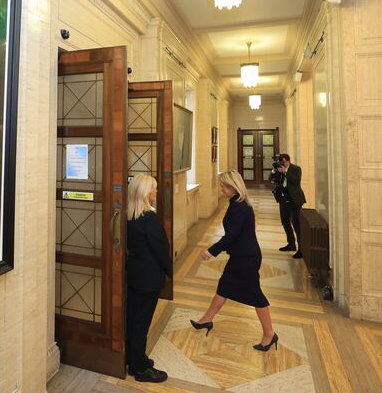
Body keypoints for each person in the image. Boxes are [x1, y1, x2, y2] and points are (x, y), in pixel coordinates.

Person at [190, 170, 278, 352]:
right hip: (242, 256)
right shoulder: (237, 202)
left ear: (232, 186)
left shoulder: (239, 206)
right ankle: (206, 319)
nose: (221, 189)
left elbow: (232, 235)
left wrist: (211, 251)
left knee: (255, 294)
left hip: (246, 258)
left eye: (223, 186)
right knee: (224, 287)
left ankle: (269, 334)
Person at [125, 174, 171, 383]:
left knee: (133, 320)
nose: (156, 192)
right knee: (141, 324)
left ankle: (136, 359)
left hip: (135, 275)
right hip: (149, 278)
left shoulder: (129, 215)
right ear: (145, 193)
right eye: (154, 189)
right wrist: (170, 272)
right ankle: (140, 369)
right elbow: (161, 250)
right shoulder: (149, 219)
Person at [276, 153, 306, 259]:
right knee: (285, 222)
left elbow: (296, 181)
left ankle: (301, 250)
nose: (282, 163)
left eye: (283, 161)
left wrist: (286, 172)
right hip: (284, 200)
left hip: (295, 200)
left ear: (288, 160)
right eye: (280, 162)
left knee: (296, 224)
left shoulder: (296, 169)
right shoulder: (279, 169)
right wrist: (275, 172)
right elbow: (273, 180)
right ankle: (291, 244)